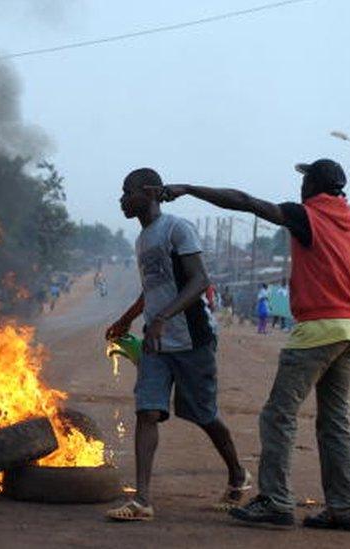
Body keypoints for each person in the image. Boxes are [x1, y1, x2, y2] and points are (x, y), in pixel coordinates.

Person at [158, 158, 350, 531]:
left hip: (317, 330)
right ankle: (347, 507)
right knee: (335, 422)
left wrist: (190, 189)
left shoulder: (308, 215)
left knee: (278, 415)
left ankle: (275, 500)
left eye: (305, 180)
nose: (300, 187)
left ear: (313, 186)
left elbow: (246, 202)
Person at [104, 168, 249, 522]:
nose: (122, 199)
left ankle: (238, 475)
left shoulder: (176, 229)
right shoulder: (141, 240)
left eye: (128, 192)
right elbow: (153, 287)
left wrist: (162, 318)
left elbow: (200, 280)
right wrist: (127, 319)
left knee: (204, 414)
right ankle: (142, 500)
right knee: (147, 410)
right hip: (157, 342)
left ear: (150, 192)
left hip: (191, 338)